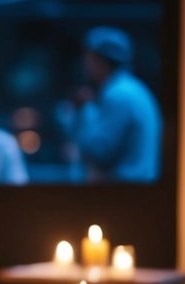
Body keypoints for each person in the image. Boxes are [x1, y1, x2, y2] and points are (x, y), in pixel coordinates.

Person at [68, 27, 161, 182]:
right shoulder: (133, 88)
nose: (84, 63)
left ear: (99, 60)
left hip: (127, 195)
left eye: (88, 56)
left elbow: (100, 153)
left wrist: (84, 110)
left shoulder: (118, 95)